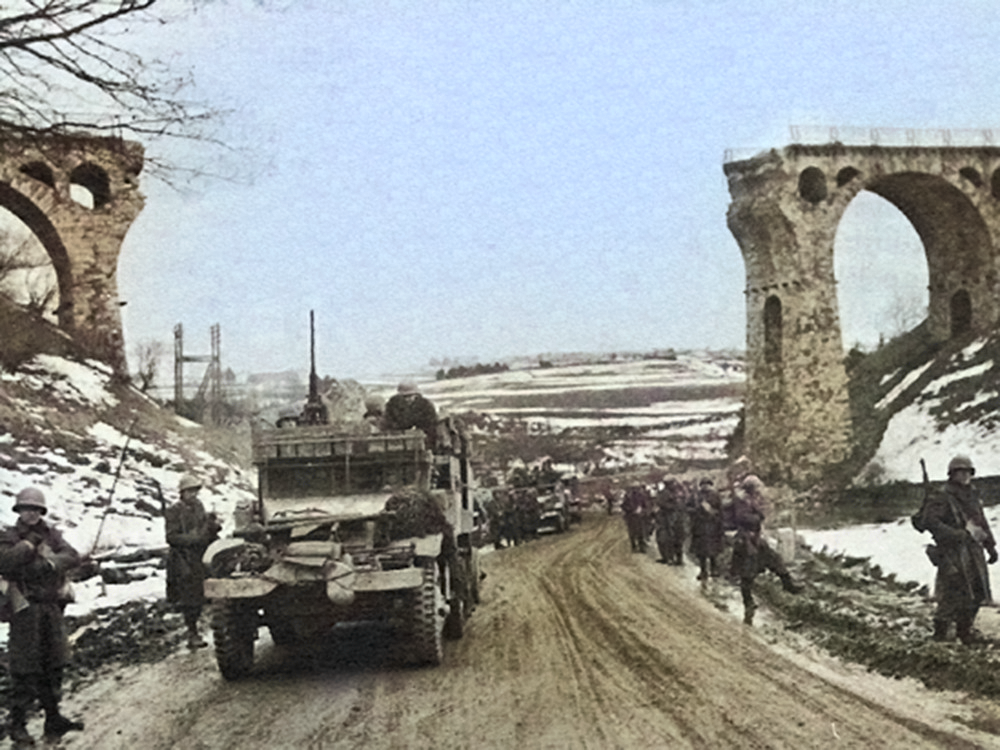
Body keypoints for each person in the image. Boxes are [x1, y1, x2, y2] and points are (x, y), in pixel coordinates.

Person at [0, 487, 84, 744]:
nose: (32, 513)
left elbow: (72, 556)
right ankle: (18, 725)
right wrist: (28, 546)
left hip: (51, 606)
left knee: (54, 663)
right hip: (24, 607)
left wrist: (48, 564)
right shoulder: (9, 536)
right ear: (19, 510)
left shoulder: (52, 534)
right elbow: (6, 562)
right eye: (27, 508)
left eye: (36, 509)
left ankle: (53, 719)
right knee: (25, 668)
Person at [921, 455, 997, 644]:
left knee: (977, 592)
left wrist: (991, 546)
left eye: (967, 472)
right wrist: (955, 534)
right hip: (952, 552)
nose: (964, 476)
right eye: (960, 472)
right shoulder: (942, 496)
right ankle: (940, 635)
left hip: (973, 551)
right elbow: (931, 522)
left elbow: (981, 522)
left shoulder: (972, 495)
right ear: (952, 474)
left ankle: (965, 631)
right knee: (952, 592)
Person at [725, 474, 802, 625]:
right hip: (746, 541)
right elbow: (743, 518)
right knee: (747, 575)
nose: (760, 490)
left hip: (756, 539)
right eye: (757, 487)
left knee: (775, 559)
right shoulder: (741, 501)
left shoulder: (750, 500)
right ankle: (748, 603)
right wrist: (758, 517)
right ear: (751, 489)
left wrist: (759, 515)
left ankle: (788, 584)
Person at [165, 474, 222, 649]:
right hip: (183, 559)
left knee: (205, 592)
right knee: (189, 598)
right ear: (182, 492)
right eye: (190, 491)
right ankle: (192, 632)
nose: (193, 494)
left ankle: (209, 626)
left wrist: (213, 527)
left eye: (195, 491)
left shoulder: (199, 507)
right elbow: (172, 537)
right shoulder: (174, 510)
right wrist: (194, 539)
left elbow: (206, 530)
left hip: (199, 557)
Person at [383, 381, 438, 448]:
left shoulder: (425, 405)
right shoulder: (392, 404)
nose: (408, 399)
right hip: (399, 437)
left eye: (410, 396)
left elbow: (431, 424)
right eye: (405, 397)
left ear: (416, 394)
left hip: (423, 436)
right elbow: (388, 421)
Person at [690, 478, 725, 581]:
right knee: (701, 552)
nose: (705, 486)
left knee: (713, 550)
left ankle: (714, 569)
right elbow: (688, 508)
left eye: (707, 484)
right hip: (699, 526)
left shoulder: (715, 495)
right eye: (703, 484)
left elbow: (720, 510)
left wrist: (714, 515)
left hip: (712, 526)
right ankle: (703, 571)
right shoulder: (695, 496)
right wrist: (696, 510)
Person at [654, 479, 687, 565]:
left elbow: (682, 504)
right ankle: (669, 558)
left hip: (676, 519)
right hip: (666, 519)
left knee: (677, 539)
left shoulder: (679, 493)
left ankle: (677, 559)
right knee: (665, 539)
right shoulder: (664, 494)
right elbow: (660, 504)